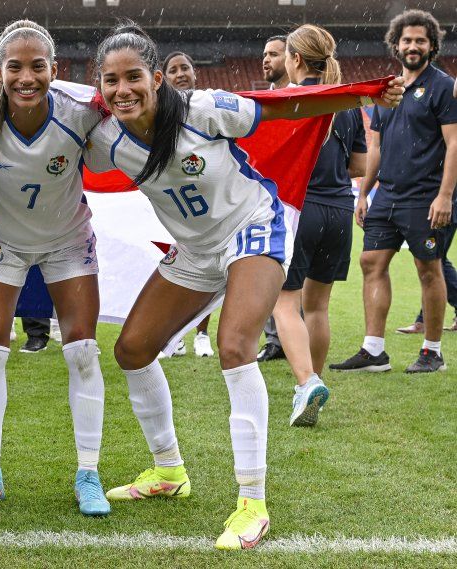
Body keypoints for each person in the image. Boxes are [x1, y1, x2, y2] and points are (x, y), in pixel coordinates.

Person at [83, 21, 403, 549]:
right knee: (133, 349)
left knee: (235, 345)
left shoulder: (201, 108)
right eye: (111, 81)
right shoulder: (103, 140)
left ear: (157, 78)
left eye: (134, 77)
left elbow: (283, 107)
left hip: (254, 226)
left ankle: (252, 501)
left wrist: (357, 93)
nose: (124, 90)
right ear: (100, 87)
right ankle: (169, 471)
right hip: (196, 250)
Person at [0, 20, 111, 517]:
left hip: (68, 242)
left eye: (37, 66)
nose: (26, 77)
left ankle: (88, 473)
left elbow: (132, 134)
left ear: (54, 70)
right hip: (1, 244)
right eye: (14, 67)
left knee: (83, 351)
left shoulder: (79, 117)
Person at [331, 9, 456, 374]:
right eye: (407, 40)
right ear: (396, 45)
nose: (413, 46)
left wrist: (445, 195)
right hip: (388, 195)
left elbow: (454, 144)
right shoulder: (389, 91)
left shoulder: (443, 86)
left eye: (420, 40)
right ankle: (374, 352)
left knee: (428, 268)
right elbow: (377, 148)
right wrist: (365, 193)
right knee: (371, 262)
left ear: (432, 46)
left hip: (427, 195)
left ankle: (432, 352)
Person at [273, 25, 367, 427]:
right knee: (318, 307)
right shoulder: (346, 105)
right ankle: (314, 387)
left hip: (302, 207)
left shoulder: (289, 99)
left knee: (283, 303)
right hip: (339, 211)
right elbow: (359, 167)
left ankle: (306, 382)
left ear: (295, 59)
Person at [162, 50, 215, 358]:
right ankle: (176, 335)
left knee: (206, 269)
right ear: (164, 79)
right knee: (174, 270)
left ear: (195, 74)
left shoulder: (209, 106)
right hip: (171, 202)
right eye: (173, 69)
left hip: (206, 201)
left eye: (185, 68)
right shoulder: (157, 112)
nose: (180, 73)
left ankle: (203, 335)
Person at [256, 35, 290, 362]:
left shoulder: (299, 102)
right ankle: (274, 340)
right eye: (264, 54)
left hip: (292, 199)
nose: (266, 60)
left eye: (274, 54)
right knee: (266, 268)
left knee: (293, 276)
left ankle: (293, 334)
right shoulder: (258, 104)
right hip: (264, 199)